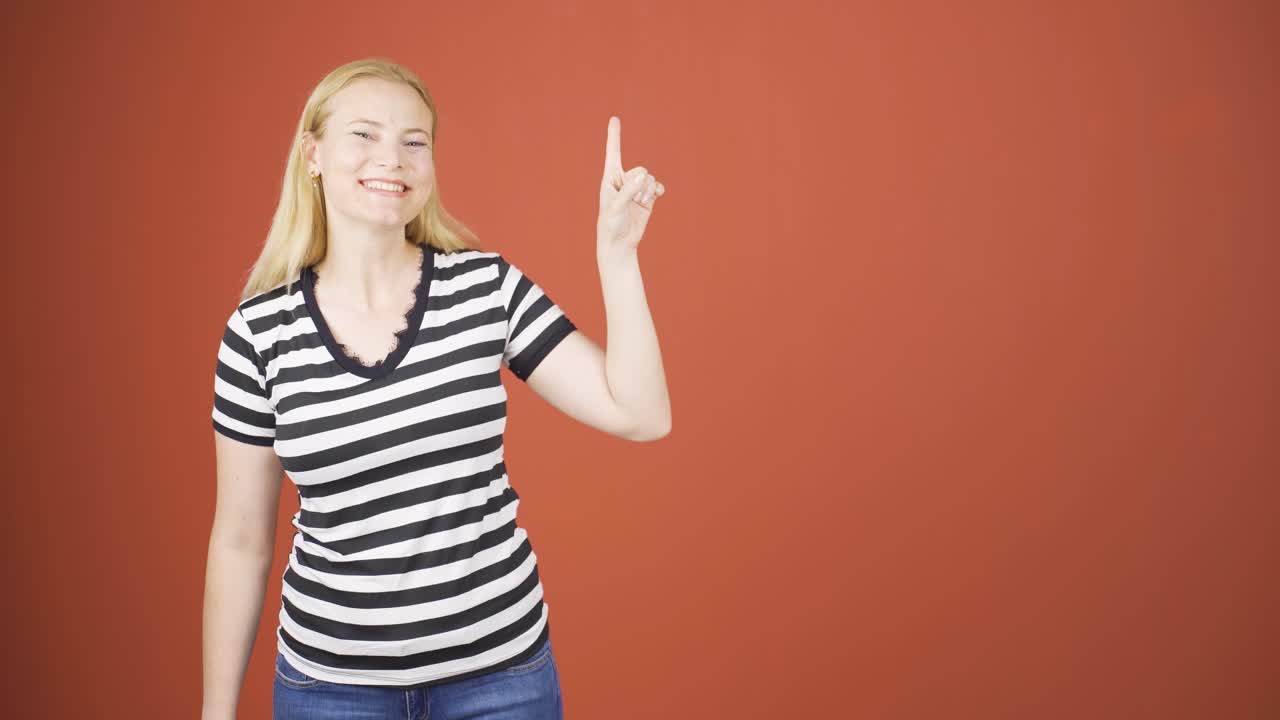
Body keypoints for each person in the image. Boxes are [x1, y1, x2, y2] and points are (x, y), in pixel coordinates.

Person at [203, 57, 670, 720]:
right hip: (331, 691)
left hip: (502, 681)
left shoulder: (485, 289)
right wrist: (215, 713)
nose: (390, 159)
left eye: (413, 141)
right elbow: (240, 542)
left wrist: (618, 258)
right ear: (312, 154)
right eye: (363, 135)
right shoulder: (258, 333)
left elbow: (641, 414)